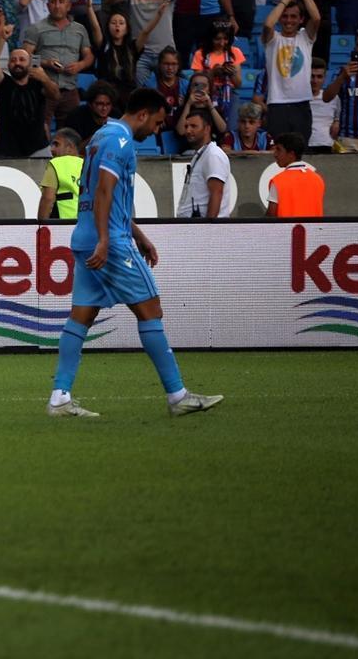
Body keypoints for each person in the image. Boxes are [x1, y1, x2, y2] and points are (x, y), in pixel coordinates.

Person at [48, 88, 222, 419]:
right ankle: (177, 395)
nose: (157, 130)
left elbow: (107, 196)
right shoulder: (121, 140)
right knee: (150, 309)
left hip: (86, 235)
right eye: (157, 123)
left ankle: (60, 396)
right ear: (142, 114)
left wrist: (138, 234)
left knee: (82, 315)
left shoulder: (101, 135)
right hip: (109, 241)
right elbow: (104, 189)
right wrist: (106, 239)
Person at [174, 107, 235, 218]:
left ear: (207, 129)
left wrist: (207, 228)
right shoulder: (201, 154)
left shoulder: (213, 154)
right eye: (186, 126)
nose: (188, 131)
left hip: (205, 228)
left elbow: (216, 193)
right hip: (194, 227)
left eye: (194, 126)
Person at [265, 133, 326, 217]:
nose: (275, 154)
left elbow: (271, 216)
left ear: (291, 154)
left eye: (278, 150)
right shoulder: (318, 179)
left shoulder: (278, 181)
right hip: (314, 230)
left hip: (286, 230)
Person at [37, 128, 86, 219]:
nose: (52, 149)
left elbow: (47, 199)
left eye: (56, 144)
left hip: (64, 226)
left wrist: (41, 226)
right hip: (88, 225)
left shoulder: (56, 164)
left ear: (70, 148)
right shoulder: (89, 164)